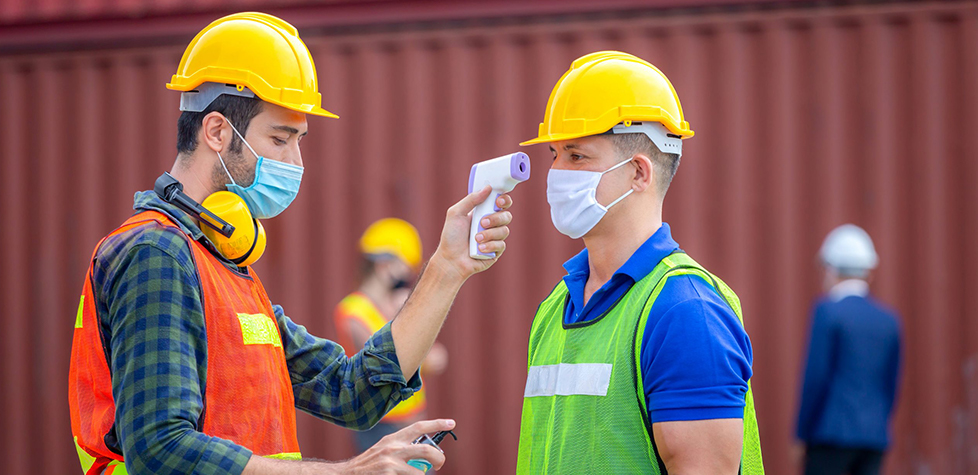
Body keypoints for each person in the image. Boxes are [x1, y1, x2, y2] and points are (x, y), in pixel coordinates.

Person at [67, 12, 514, 475]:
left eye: (298, 140)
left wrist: (448, 266)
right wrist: (346, 472)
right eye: (281, 139)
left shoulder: (225, 269)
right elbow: (161, 449)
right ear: (218, 132)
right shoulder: (155, 255)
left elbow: (351, 393)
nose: (296, 160)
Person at [515, 51, 763, 474]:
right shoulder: (556, 306)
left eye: (577, 156)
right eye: (553, 155)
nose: (555, 172)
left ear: (639, 173)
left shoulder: (685, 313)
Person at [334, 218, 449, 452]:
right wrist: (405, 314)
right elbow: (389, 362)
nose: (408, 275)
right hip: (380, 426)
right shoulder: (354, 310)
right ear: (385, 265)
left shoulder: (396, 307)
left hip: (412, 420)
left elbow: (438, 359)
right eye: (406, 266)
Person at [796, 224, 901, 475]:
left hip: (829, 435)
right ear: (868, 272)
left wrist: (801, 433)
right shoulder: (889, 320)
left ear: (831, 269)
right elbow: (891, 383)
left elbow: (816, 378)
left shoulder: (827, 312)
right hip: (874, 439)